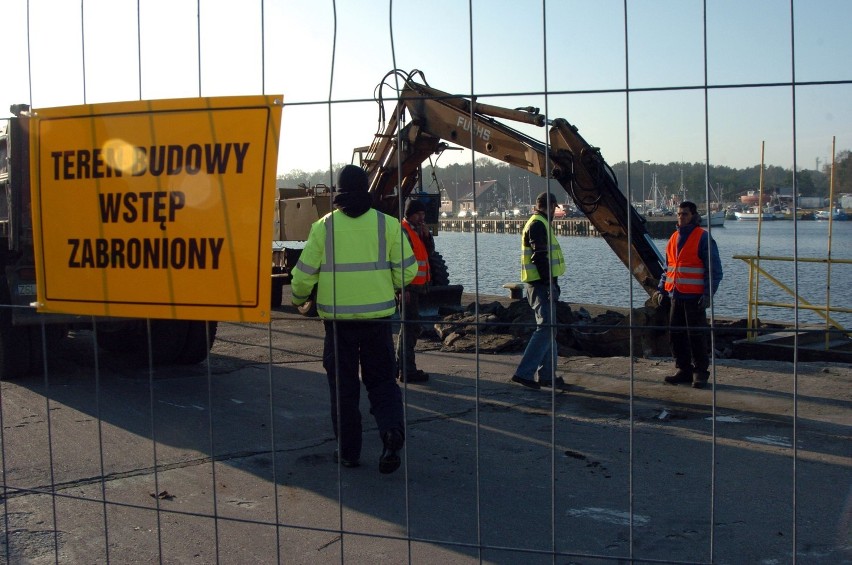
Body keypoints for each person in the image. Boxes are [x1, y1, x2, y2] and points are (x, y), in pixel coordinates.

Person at [291, 165, 418, 473]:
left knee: (344, 388)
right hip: (378, 321)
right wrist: (390, 285)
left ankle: (348, 453)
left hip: (338, 324)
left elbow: (303, 276)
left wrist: (298, 299)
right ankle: (391, 431)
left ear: (339, 192)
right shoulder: (388, 225)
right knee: (383, 382)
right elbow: (408, 271)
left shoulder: (324, 227)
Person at [653, 200, 723, 389]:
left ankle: (700, 372)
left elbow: (714, 270)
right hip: (676, 294)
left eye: (685, 214)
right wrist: (661, 289)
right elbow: (668, 268)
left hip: (694, 297)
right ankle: (683, 369)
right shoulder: (674, 238)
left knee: (696, 335)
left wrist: (708, 294)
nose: (681, 217)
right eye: (679, 214)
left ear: (694, 216)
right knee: (675, 335)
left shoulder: (703, 238)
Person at [511, 192, 567, 390]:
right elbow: (540, 257)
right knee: (545, 329)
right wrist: (549, 283)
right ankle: (524, 373)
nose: (555, 212)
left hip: (540, 283)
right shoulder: (538, 224)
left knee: (549, 329)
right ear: (550, 206)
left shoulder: (538, 223)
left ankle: (547, 376)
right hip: (540, 284)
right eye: (554, 208)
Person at [396, 198, 434, 383]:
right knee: (410, 329)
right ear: (409, 214)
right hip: (409, 288)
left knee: (409, 328)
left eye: (423, 215)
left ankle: (399, 367)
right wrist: (403, 288)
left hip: (416, 287)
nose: (422, 218)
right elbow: (400, 261)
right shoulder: (404, 231)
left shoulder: (417, 231)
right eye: (418, 214)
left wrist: (427, 237)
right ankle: (407, 370)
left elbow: (429, 254)